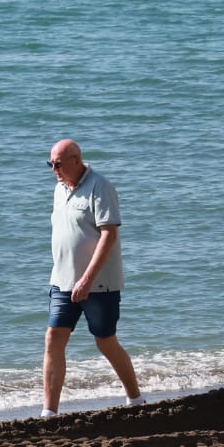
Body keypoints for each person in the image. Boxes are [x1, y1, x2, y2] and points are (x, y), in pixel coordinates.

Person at [44, 139, 143, 416]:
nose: (54, 169)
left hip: (98, 284)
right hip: (62, 281)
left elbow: (109, 235)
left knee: (105, 341)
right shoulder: (59, 189)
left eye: (59, 164)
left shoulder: (100, 186)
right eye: (50, 164)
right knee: (53, 338)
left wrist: (87, 279)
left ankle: (135, 399)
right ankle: (49, 412)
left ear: (77, 160)